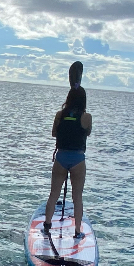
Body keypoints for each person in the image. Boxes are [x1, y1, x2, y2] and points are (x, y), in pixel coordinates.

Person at [44, 80, 92, 239]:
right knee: (77, 197)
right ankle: (77, 231)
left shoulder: (60, 115)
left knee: (53, 194)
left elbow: (54, 133)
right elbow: (88, 133)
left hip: (61, 157)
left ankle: (47, 226)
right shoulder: (87, 117)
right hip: (78, 159)